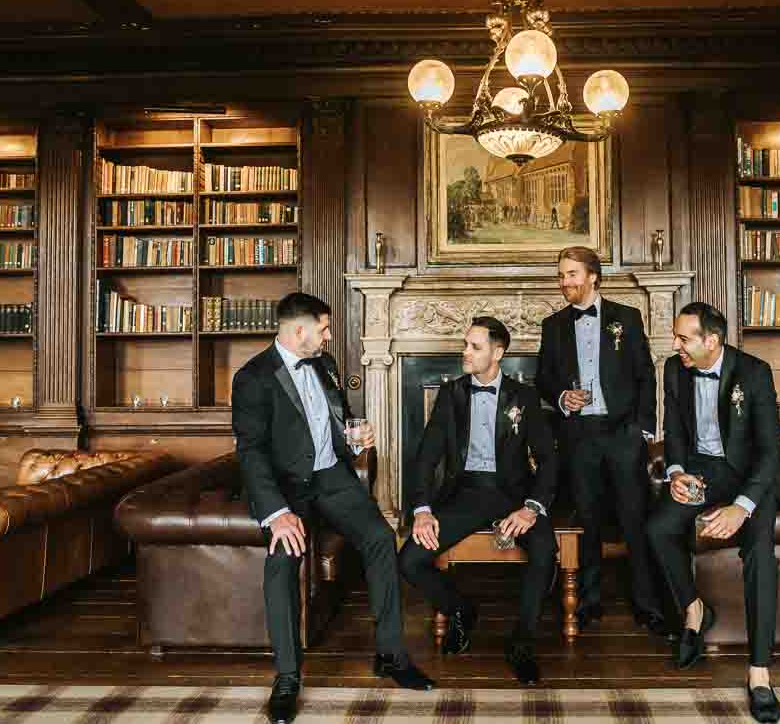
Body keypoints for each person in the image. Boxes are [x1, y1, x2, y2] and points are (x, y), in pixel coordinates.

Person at [232, 292, 434, 724]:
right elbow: (250, 451)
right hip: (287, 492)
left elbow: (332, 422)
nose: (328, 335)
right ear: (299, 330)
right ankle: (287, 678)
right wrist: (276, 512)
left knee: (381, 537)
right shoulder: (252, 378)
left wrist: (353, 440)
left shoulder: (325, 364)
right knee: (283, 560)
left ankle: (391, 655)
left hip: (333, 479)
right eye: (323, 328)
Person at [645, 302, 780, 723]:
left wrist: (742, 508)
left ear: (712, 341)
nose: (675, 346)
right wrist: (675, 473)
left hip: (752, 481)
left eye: (683, 338)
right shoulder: (675, 369)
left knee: (759, 552)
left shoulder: (754, 372)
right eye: (675, 337)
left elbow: (768, 452)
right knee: (657, 529)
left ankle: (759, 673)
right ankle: (694, 610)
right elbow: (673, 431)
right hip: (702, 473)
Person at [399, 316, 559, 685]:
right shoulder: (451, 394)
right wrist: (422, 510)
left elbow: (549, 459)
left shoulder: (525, 397)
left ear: (498, 352)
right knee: (409, 559)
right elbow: (426, 457)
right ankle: (460, 610)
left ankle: (521, 643)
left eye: (475, 346)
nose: (465, 352)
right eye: (465, 345)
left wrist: (531, 508)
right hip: (466, 494)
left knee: (544, 550)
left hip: (514, 496)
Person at [535, 246, 669, 638]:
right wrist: (562, 398)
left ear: (593, 276)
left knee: (635, 520)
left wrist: (643, 430)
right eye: (561, 275)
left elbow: (646, 375)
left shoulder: (626, 318)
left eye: (572, 274)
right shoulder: (553, 325)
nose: (565, 282)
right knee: (587, 521)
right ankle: (589, 601)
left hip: (623, 433)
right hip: (579, 436)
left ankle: (647, 605)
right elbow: (543, 379)